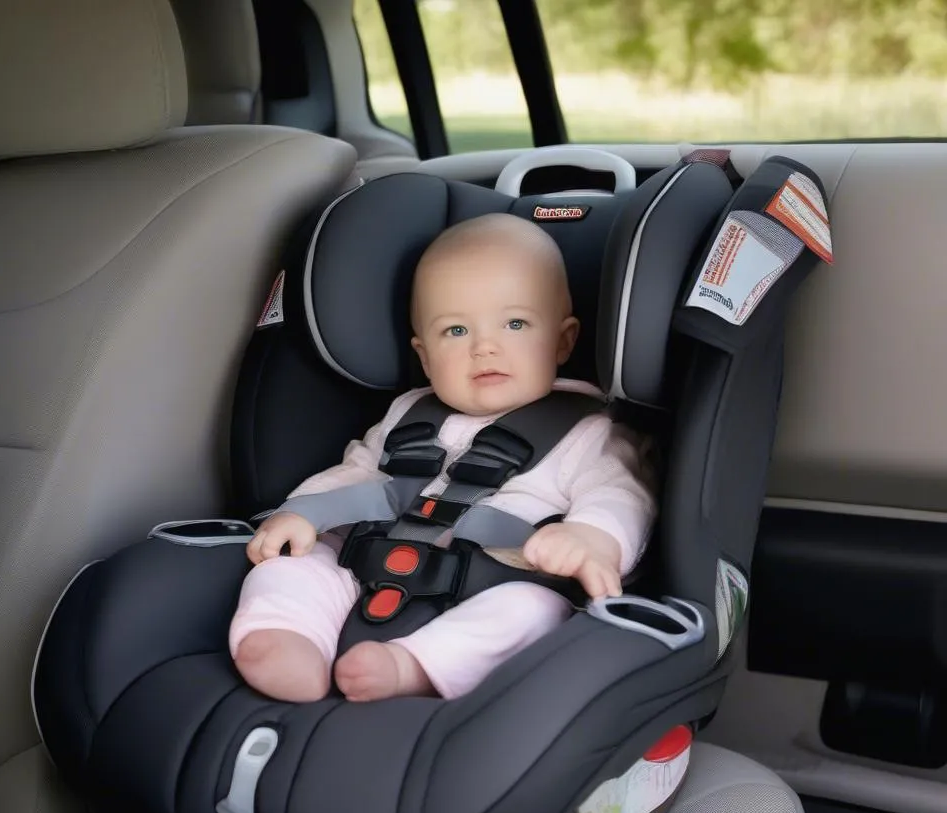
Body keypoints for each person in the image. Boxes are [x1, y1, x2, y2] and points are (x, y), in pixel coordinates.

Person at [229, 213, 656, 704]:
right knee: (294, 566)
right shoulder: (409, 414)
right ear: (425, 355)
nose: (484, 347)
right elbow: (360, 470)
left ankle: (413, 665)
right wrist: (305, 510)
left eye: (515, 323)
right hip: (373, 558)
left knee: (532, 614)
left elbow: (622, 493)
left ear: (562, 340)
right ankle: (287, 637)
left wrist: (590, 538)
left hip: (503, 577)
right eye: (455, 331)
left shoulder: (590, 430)